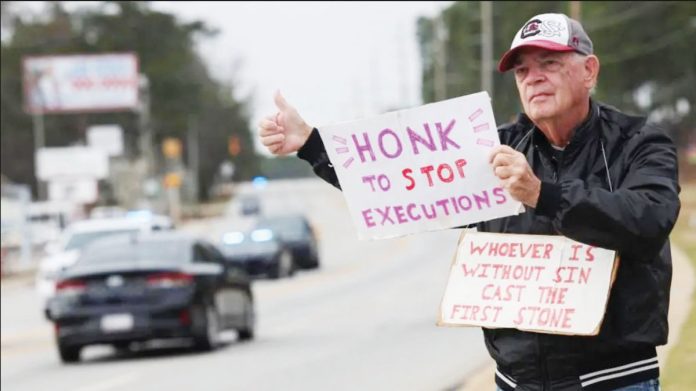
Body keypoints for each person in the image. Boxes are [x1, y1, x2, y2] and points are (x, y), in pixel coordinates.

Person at [257, 12, 680, 391]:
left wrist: (542, 195)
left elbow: (650, 219)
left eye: (549, 64)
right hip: (517, 380)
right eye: (522, 71)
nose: (533, 78)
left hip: (613, 379)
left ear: (589, 71)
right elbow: (394, 183)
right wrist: (311, 144)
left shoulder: (638, 142)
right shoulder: (491, 147)